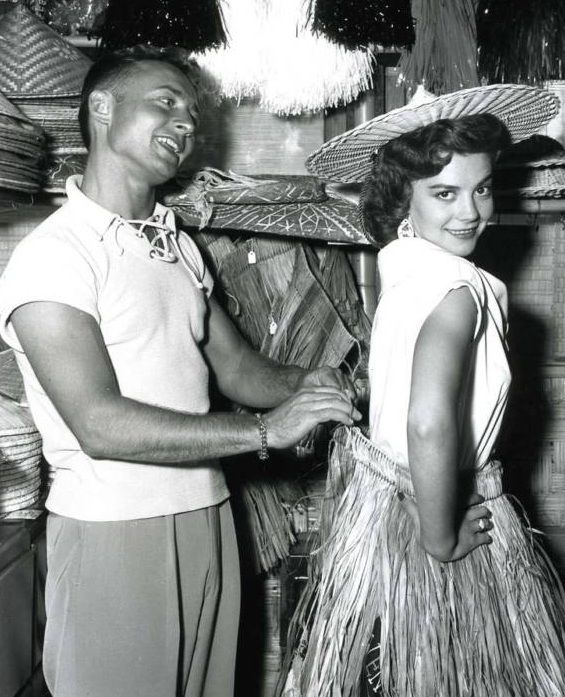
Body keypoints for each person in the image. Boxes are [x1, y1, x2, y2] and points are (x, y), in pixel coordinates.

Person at [0, 46, 360, 697]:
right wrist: (265, 431)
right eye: (165, 102)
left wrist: (311, 384)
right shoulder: (55, 255)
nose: (185, 123)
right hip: (113, 533)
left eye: (191, 112)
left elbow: (240, 369)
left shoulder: (176, 247)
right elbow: (99, 425)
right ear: (101, 108)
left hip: (208, 517)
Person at [280, 87, 565, 696]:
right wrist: (440, 532)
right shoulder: (457, 290)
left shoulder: (402, 280)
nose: (471, 212)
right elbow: (428, 421)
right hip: (432, 515)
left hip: (382, 515)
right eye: (444, 193)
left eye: (482, 188)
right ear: (404, 199)